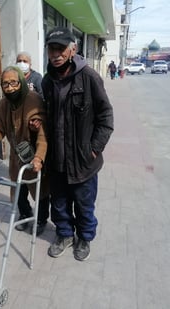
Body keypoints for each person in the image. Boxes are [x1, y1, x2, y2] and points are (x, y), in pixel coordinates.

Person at [41, 27, 114, 261]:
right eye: (52, 49)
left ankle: (84, 237)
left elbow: (106, 117)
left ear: (73, 50)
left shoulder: (89, 77)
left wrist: (94, 149)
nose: (56, 54)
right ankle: (64, 234)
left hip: (83, 160)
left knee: (84, 205)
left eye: (61, 48)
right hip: (57, 159)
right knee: (59, 204)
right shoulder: (47, 81)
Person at [0, 66, 50, 236]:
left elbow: (43, 134)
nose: (10, 88)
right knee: (18, 190)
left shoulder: (33, 99)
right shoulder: (4, 104)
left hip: (35, 155)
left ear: (21, 81)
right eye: (5, 84)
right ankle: (25, 214)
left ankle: (42, 220)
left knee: (41, 192)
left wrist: (39, 158)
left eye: (13, 82)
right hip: (17, 158)